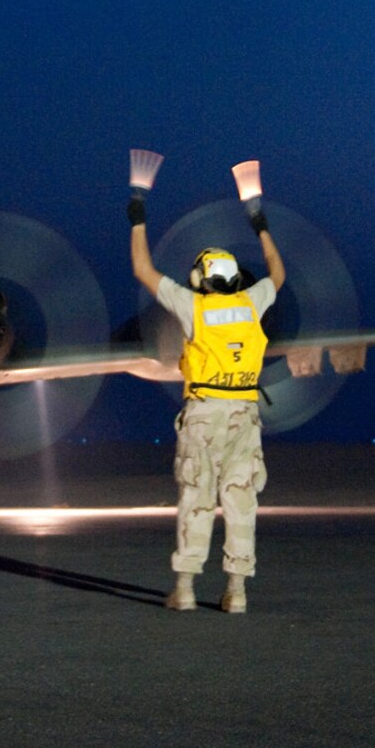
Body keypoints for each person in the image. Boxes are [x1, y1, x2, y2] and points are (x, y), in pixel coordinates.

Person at [129, 179, 284, 614]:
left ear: (200, 278)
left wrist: (138, 215)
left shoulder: (195, 307)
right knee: (240, 501)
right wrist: (260, 222)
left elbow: (143, 269)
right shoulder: (253, 303)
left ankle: (185, 588)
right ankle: (236, 591)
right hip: (245, 414)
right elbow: (279, 273)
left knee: (197, 498)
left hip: (205, 413)